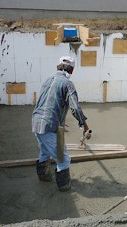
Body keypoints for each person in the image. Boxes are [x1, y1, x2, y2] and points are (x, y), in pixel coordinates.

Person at [32, 56, 90, 192]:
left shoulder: (47, 80)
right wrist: (85, 125)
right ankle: (64, 186)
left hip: (37, 122)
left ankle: (44, 177)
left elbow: (45, 103)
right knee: (63, 159)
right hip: (49, 125)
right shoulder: (67, 84)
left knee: (45, 152)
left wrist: (59, 122)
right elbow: (75, 107)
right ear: (72, 71)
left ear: (57, 67)